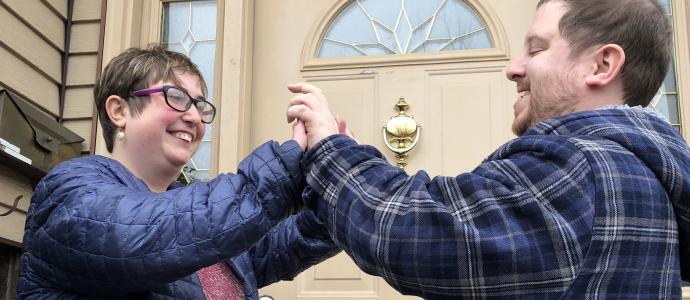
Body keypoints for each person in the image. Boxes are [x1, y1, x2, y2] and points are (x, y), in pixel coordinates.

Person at [286, 0, 690, 298]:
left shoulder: (580, 165)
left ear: (602, 66)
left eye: (536, 49)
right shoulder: (641, 168)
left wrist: (329, 149)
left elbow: (418, 232)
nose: (513, 68)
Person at [18, 45, 340, 299]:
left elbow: (273, 248)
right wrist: (289, 162)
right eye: (177, 98)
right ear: (119, 110)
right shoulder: (67, 192)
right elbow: (144, 231)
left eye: (201, 106)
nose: (196, 118)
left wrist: (338, 192)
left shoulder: (198, 214)